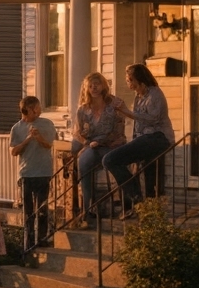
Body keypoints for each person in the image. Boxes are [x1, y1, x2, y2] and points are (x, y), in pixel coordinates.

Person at [103, 63, 174, 219]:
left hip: (159, 137)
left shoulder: (155, 94)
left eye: (130, 79)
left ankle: (136, 199)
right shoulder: (138, 97)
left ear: (139, 79)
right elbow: (137, 124)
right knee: (149, 177)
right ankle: (146, 210)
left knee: (110, 159)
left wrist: (126, 111)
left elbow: (153, 119)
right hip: (144, 138)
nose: (128, 83)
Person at [71, 72, 126, 225]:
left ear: (103, 86)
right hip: (92, 146)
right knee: (83, 162)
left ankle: (124, 203)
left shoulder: (113, 106)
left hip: (112, 145)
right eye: (90, 86)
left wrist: (101, 141)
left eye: (97, 84)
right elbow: (77, 132)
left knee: (113, 161)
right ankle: (87, 209)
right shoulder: (83, 110)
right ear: (86, 89)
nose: (94, 88)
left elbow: (119, 130)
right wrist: (88, 142)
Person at [10, 95, 56, 249]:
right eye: (35, 109)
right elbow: (14, 151)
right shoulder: (16, 128)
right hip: (26, 173)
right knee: (28, 211)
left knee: (42, 209)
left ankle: (41, 239)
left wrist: (39, 137)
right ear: (27, 110)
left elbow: (48, 145)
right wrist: (28, 140)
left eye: (38, 108)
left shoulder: (46, 124)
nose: (38, 111)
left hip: (43, 172)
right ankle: (28, 242)